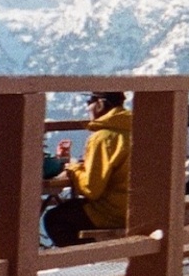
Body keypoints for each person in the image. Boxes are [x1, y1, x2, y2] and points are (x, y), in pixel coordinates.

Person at [44, 92, 132, 247]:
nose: (87, 107)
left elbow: (91, 188)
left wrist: (73, 169)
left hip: (113, 211)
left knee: (54, 218)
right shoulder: (134, 130)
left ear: (100, 104)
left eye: (89, 102)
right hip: (135, 208)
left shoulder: (102, 138)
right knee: (71, 208)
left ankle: (86, 261)